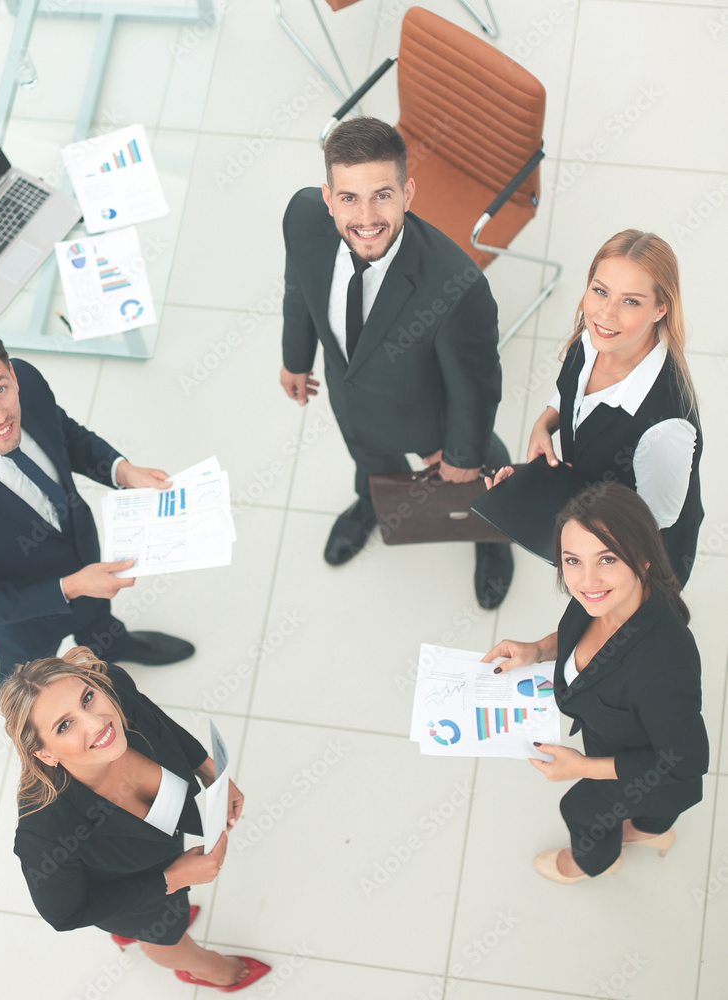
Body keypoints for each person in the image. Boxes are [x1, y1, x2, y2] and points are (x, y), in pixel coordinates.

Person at [280, 116, 513, 609]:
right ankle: (371, 504)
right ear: (327, 198)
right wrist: (295, 359)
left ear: (407, 191)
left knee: (481, 467)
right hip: (354, 401)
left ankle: (494, 535)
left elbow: (475, 387)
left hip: (430, 413)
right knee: (371, 463)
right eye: (349, 198)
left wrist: (461, 455)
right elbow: (299, 288)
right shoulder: (303, 218)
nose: (366, 217)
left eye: (382, 195)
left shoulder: (457, 287)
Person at [0, 322, 194, 685]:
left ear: (12, 376)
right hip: (27, 623)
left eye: (1, 390)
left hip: (84, 551)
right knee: (33, 687)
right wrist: (70, 586)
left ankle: (112, 647)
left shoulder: (29, 381)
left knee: (99, 620)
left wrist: (122, 471)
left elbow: (66, 436)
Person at [1, 647, 270, 990]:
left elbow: (156, 720)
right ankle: (208, 969)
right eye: (65, 725)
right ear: (45, 754)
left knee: (169, 912)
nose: (98, 723)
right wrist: (172, 879)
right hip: (130, 894)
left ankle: (143, 926)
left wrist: (208, 769)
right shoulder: (44, 833)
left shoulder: (112, 687)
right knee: (166, 938)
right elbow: (65, 915)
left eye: (87, 698)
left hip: (163, 849)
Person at [482, 484, 708, 884]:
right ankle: (652, 829)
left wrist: (582, 767)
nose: (586, 580)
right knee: (648, 816)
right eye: (572, 560)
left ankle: (592, 862)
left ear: (643, 557)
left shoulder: (664, 667)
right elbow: (578, 640)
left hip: (643, 774)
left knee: (581, 811)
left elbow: (686, 762)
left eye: (607, 558)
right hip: (624, 748)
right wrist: (536, 650)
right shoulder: (595, 600)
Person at [516, 230, 702, 585]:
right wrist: (544, 423)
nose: (606, 313)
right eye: (600, 291)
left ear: (660, 308)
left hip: (635, 556)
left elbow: (656, 518)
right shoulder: (591, 339)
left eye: (631, 301)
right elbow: (571, 393)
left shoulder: (665, 427)